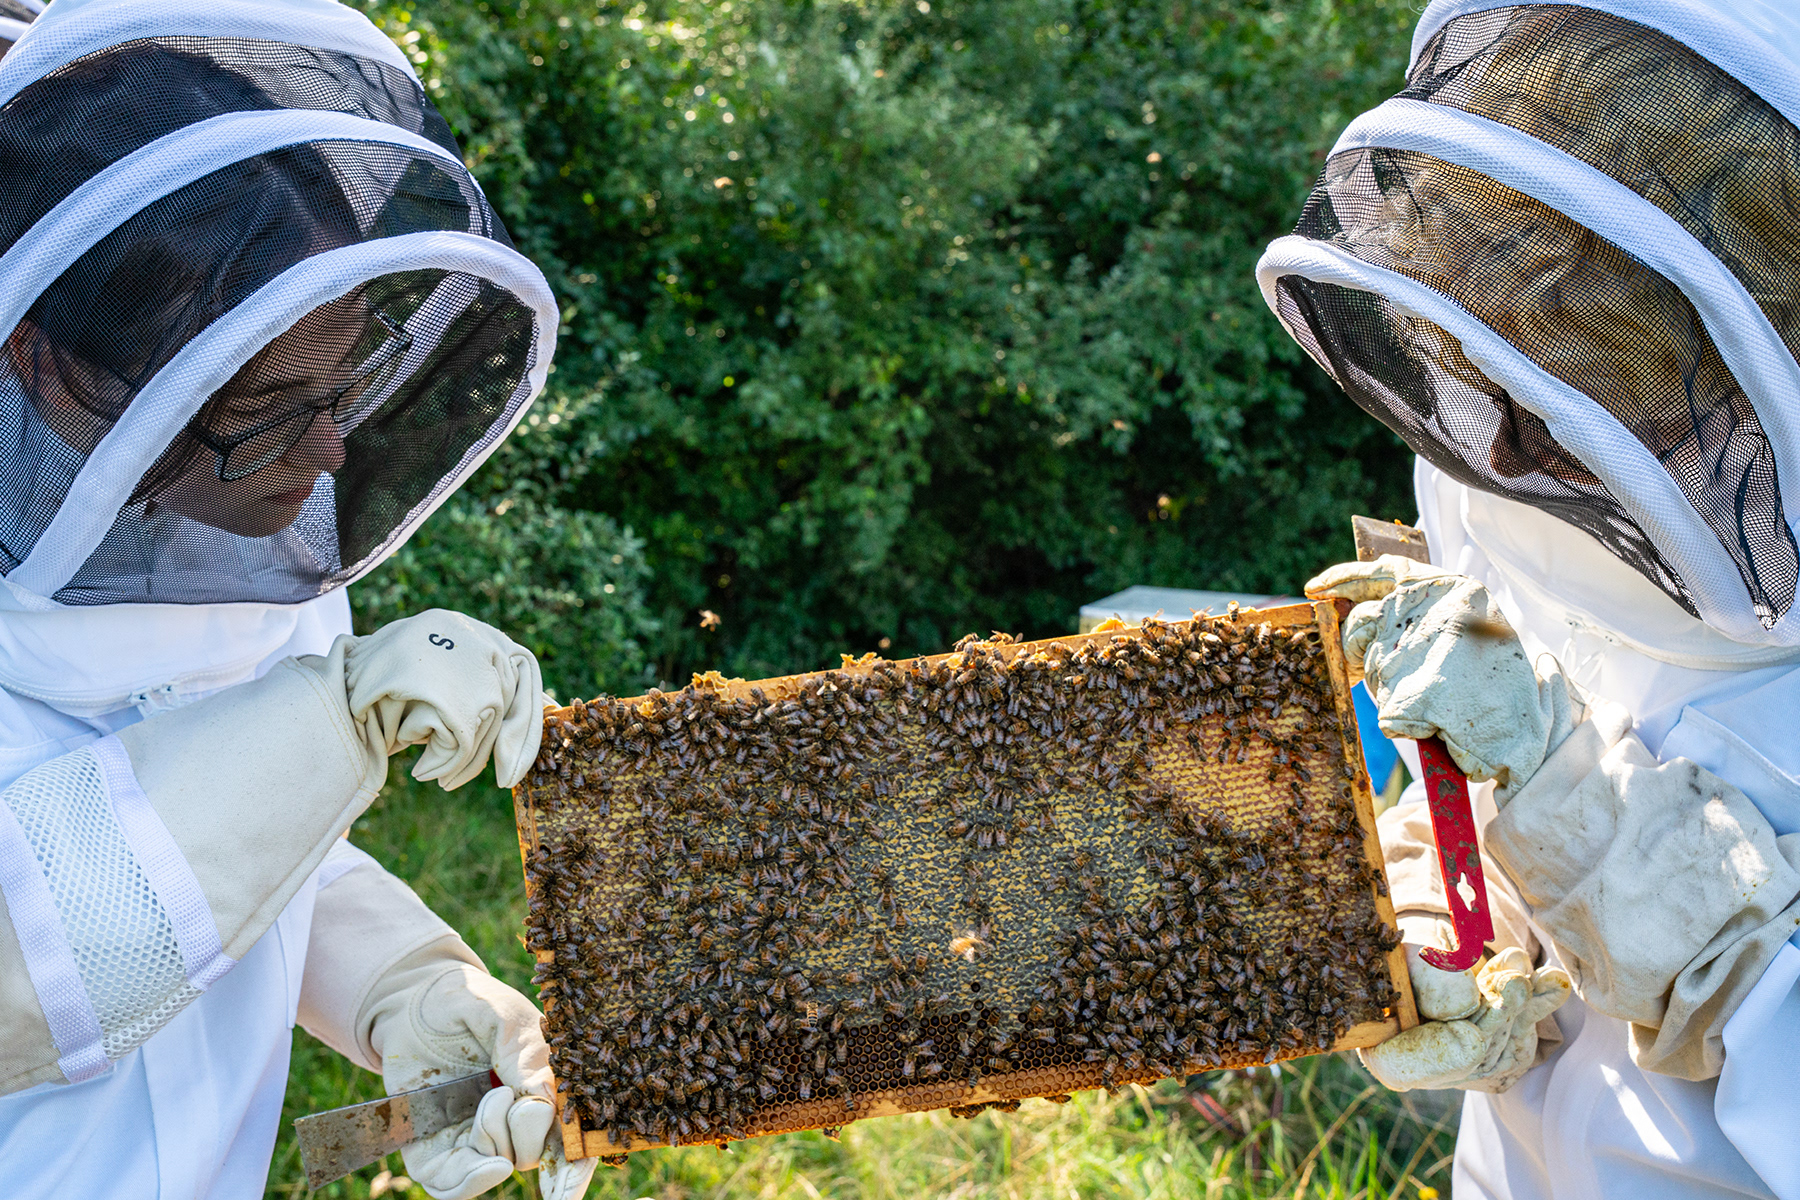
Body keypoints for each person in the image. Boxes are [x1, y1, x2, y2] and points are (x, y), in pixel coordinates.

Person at [0, 1, 594, 1196]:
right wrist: (323, 726)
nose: (329, 451)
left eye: (351, 375)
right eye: (272, 404)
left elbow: (260, 859)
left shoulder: (228, 552)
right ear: (48, 364)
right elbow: (34, 957)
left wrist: (407, 990)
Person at [1258, 0, 1800, 1195]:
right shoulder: (1519, 450)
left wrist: (1608, 849)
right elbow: (1480, 742)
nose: (1558, 310)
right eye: (1526, 252)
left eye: (1601, 271)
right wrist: (1455, 926)